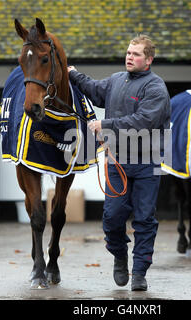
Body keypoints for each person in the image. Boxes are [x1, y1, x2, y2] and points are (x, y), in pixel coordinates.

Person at [68, 35, 171, 291]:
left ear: (148, 60)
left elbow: (143, 120)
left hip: (148, 163)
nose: (129, 57)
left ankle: (139, 273)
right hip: (117, 161)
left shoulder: (156, 88)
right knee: (112, 217)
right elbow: (92, 89)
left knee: (144, 219)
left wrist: (106, 124)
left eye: (136, 54)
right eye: (128, 52)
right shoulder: (116, 80)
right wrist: (72, 74)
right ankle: (119, 255)